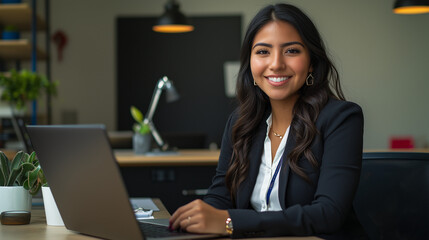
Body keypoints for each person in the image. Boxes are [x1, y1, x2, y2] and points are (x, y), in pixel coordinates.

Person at [170, 3, 367, 239]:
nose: (276, 64)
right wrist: (198, 217)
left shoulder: (341, 118)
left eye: (291, 51)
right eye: (263, 51)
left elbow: (328, 214)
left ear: (312, 62)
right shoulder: (240, 122)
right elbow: (221, 195)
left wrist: (231, 222)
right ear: (250, 63)